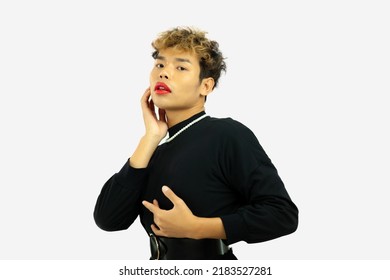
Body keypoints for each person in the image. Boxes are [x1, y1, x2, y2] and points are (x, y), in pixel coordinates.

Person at [93, 26, 298, 260]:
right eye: (160, 65)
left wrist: (197, 227)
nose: (164, 73)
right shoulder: (152, 150)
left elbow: (282, 215)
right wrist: (150, 138)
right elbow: (108, 220)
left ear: (206, 86)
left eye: (180, 67)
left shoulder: (227, 135)